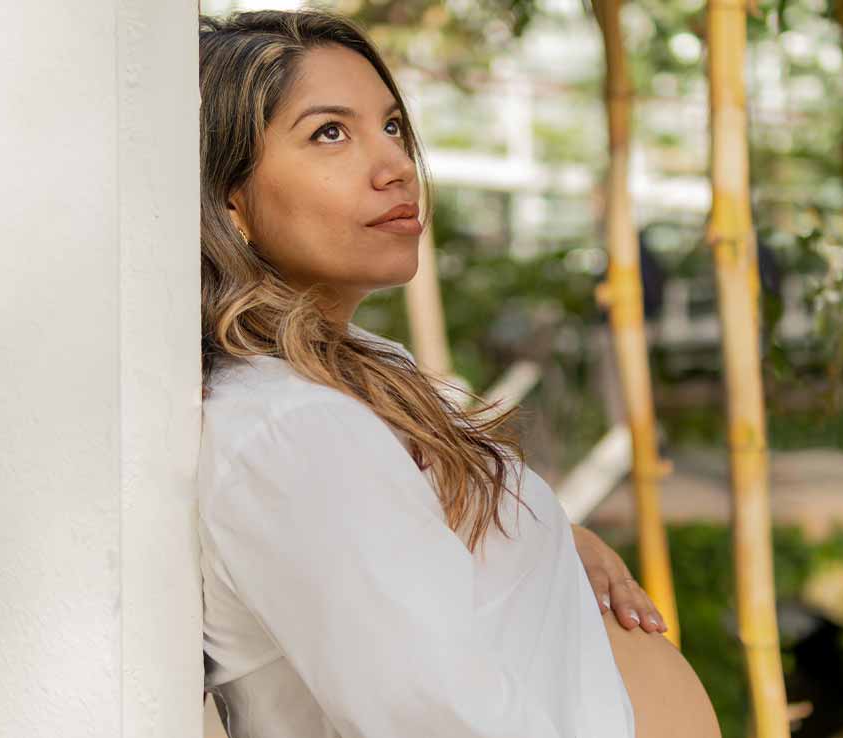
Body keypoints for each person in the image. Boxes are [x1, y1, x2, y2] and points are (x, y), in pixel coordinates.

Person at [196, 10, 720, 738]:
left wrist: (552, 541)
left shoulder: (361, 373)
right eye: (329, 133)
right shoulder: (296, 431)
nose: (395, 165)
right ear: (230, 200)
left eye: (391, 127)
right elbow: (438, 720)